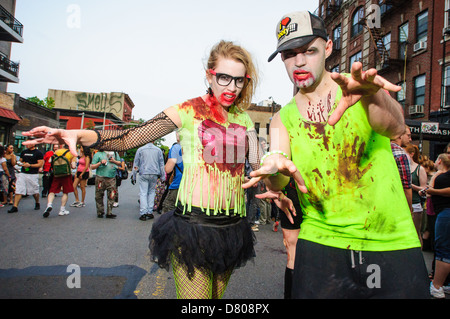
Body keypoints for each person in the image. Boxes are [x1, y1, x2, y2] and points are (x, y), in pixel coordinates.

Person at [23, 40, 264, 299]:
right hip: (194, 228)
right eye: (224, 78)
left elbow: (259, 165)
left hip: (232, 228)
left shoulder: (244, 118)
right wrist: (77, 134)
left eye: (239, 80)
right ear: (209, 75)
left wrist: (275, 169)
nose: (232, 87)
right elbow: (129, 138)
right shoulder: (187, 111)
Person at [244, 11, 429, 298]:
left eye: (309, 51)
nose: (300, 62)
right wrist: (275, 168)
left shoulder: (359, 89)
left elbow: (395, 126)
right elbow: (277, 181)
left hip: (389, 241)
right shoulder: (282, 118)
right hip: (320, 244)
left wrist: (372, 96)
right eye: (290, 55)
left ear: (328, 48)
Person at [426, 154, 450, 298]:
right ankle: (442, 284)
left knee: (443, 250)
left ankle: (437, 285)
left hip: (446, 214)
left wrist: (433, 191)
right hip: (443, 212)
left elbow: (431, 190)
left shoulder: (442, 175)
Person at [8, 142, 43, 213]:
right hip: (23, 173)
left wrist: (30, 165)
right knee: (19, 189)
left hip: (33, 174)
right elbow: (20, 161)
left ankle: (37, 202)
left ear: (33, 144)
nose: (27, 145)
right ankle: (15, 206)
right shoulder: (24, 152)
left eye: (29, 143)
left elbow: (40, 164)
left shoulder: (38, 153)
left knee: (34, 190)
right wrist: (20, 163)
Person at [133, 142, 165, 221]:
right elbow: (161, 164)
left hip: (143, 173)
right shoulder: (158, 150)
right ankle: (149, 211)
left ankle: (143, 213)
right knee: (151, 192)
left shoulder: (140, 149)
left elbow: (136, 164)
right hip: (154, 173)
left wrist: (133, 176)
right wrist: (163, 177)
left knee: (143, 192)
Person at [43, 144, 75, 217]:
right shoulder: (71, 153)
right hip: (66, 174)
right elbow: (73, 166)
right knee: (65, 192)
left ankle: (49, 204)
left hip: (56, 174)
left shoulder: (57, 152)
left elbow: (50, 161)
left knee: (52, 190)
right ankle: (62, 209)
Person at [405, 144, 428, 245]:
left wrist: (411, 185)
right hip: (403, 204)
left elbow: (424, 188)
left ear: (411, 154)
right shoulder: (402, 167)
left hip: (415, 204)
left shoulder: (420, 169)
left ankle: (420, 257)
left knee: (415, 234)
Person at [90, 149, 121, 219]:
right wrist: (100, 163)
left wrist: (114, 161)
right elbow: (92, 166)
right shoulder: (98, 154)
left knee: (112, 194)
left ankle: (109, 212)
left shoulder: (115, 153)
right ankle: (100, 211)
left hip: (111, 178)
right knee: (99, 195)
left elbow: (119, 163)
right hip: (100, 178)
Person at [391, 127, 413, 213]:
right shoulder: (400, 154)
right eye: (408, 135)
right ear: (399, 135)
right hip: (397, 205)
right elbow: (406, 186)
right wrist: (409, 210)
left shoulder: (379, 150)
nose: (410, 139)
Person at [161, 132, 183, 214]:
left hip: (178, 183)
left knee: (169, 208)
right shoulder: (196, 148)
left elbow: (168, 169)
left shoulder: (176, 148)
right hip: (193, 186)